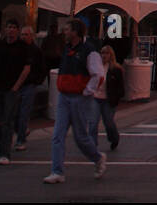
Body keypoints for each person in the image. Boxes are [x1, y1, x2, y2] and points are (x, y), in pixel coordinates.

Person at [44, 18, 107, 184]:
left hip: (79, 97)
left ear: (75, 32)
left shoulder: (89, 50)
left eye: (67, 29)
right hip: (65, 95)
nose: (64, 32)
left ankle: (97, 157)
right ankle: (57, 171)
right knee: (58, 134)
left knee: (81, 137)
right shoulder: (67, 48)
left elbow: (98, 74)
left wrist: (86, 91)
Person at [0, 18, 32, 166]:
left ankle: (5, 152)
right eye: (9, 27)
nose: (11, 30)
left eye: (14, 27)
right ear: (5, 29)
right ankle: (0, 145)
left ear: (17, 30)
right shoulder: (0, 45)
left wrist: (17, 86)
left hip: (12, 89)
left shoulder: (22, 47)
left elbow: (27, 68)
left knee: (7, 120)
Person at [14, 25, 46, 151]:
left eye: (26, 35)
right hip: (16, 84)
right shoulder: (16, 49)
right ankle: (21, 131)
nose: (23, 37)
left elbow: (42, 68)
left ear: (32, 36)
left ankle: (21, 139)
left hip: (29, 85)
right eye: (22, 34)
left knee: (24, 113)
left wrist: (36, 81)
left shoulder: (36, 51)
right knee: (14, 113)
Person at [90, 46, 123, 151]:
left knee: (108, 122)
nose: (104, 55)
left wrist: (116, 98)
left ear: (111, 55)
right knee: (93, 122)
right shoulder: (95, 67)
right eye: (102, 53)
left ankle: (114, 138)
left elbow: (120, 87)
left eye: (106, 53)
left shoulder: (116, 69)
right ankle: (92, 144)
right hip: (95, 97)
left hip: (108, 99)